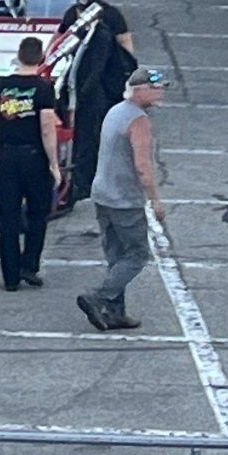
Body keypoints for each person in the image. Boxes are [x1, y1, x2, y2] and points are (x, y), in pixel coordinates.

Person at [78, 67, 168, 333]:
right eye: (155, 88)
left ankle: (116, 313)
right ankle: (99, 297)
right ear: (139, 89)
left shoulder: (115, 111)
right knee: (138, 255)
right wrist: (155, 200)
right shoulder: (139, 120)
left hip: (103, 193)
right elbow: (143, 167)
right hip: (124, 199)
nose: (160, 92)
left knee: (117, 256)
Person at [0, 36, 62, 292]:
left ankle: (10, 277)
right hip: (34, 156)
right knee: (38, 213)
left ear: (18, 55)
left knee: (9, 217)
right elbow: (47, 128)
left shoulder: (0, 86)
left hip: (6, 155)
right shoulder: (44, 88)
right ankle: (30, 264)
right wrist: (54, 163)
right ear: (40, 58)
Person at [59, 0, 136, 202]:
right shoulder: (72, 15)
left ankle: (88, 181)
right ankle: (83, 179)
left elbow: (125, 46)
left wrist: (128, 81)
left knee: (93, 135)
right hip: (77, 82)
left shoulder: (110, 16)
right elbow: (60, 41)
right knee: (83, 135)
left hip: (101, 86)